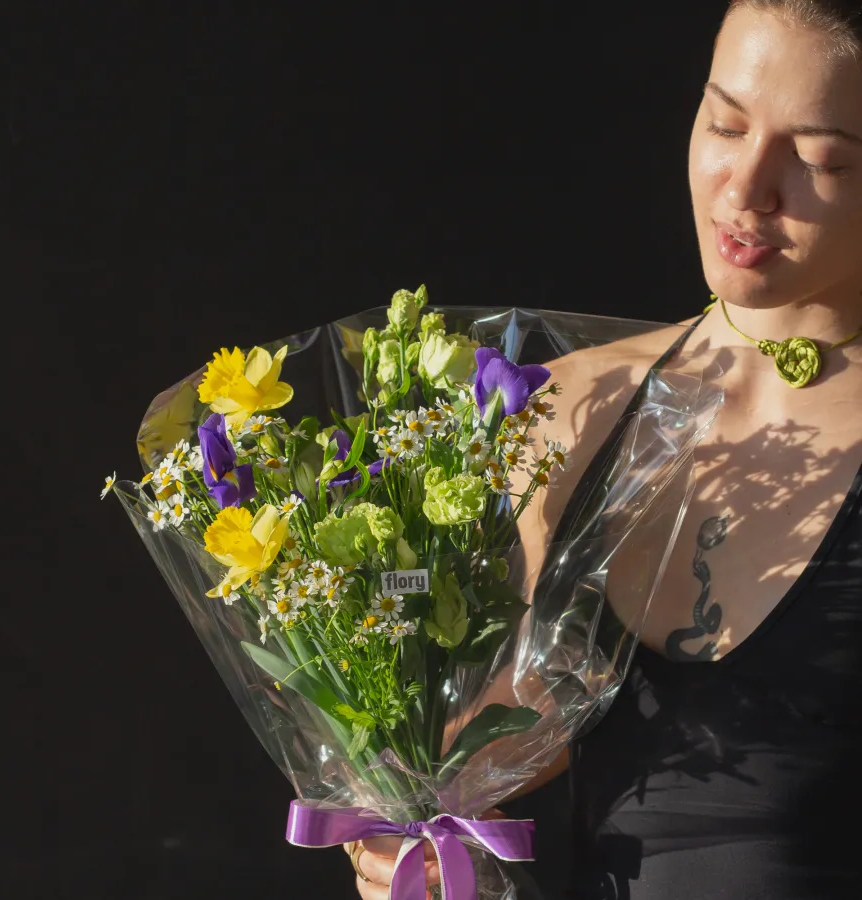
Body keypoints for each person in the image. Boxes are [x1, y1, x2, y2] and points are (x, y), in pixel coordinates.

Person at [346, 1, 862, 896]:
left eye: (818, 159)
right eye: (725, 123)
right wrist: (416, 820)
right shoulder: (572, 406)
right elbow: (533, 710)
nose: (747, 188)